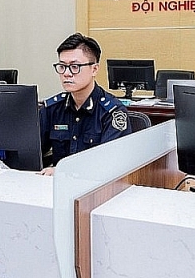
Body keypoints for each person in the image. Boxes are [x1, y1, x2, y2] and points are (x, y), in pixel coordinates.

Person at [39, 33, 131, 176]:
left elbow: (111, 164)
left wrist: (65, 172)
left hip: (96, 189)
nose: (67, 74)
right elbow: (33, 154)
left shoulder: (112, 112)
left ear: (94, 69)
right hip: (56, 188)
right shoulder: (52, 109)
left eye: (75, 67)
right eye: (62, 66)